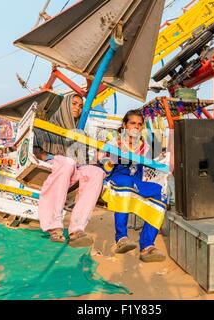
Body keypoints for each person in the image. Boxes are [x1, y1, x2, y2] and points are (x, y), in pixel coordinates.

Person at [35, 93, 105, 248]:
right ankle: (54, 225)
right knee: (66, 162)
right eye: (74, 104)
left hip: (73, 168)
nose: (77, 108)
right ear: (65, 105)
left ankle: (77, 228)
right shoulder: (45, 127)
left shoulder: (80, 133)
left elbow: (83, 158)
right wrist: (49, 156)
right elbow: (36, 149)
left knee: (97, 173)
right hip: (55, 165)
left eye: (80, 106)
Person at [101, 109, 167, 263]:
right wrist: (112, 160)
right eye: (132, 123)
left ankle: (147, 245)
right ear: (124, 125)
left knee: (161, 194)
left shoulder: (145, 148)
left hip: (136, 184)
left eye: (139, 124)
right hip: (116, 182)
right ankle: (121, 238)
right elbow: (104, 169)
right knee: (126, 183)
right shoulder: (114, 144)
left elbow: (155, 165)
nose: (136, 127)